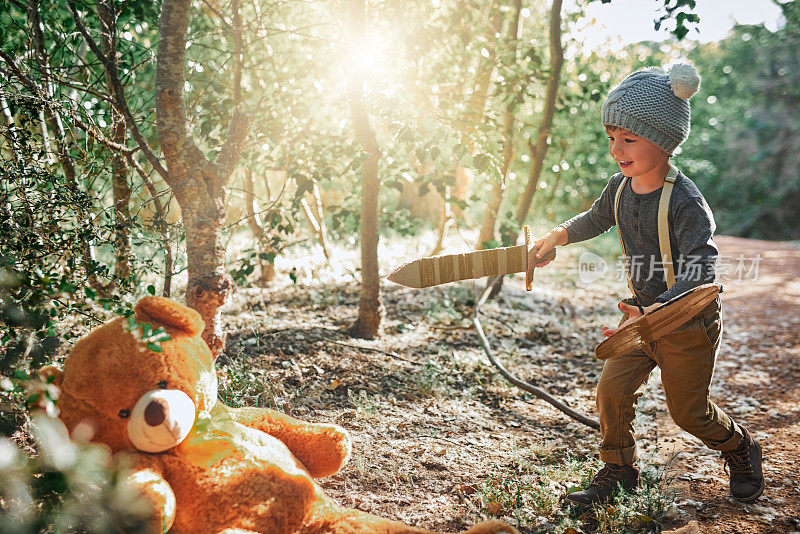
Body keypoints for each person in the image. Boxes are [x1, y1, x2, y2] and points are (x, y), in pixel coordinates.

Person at [530, 63, 764, 506]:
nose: (617, 148)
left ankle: (740, 447)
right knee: (612, 390)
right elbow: (596, 218)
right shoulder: (619, 188)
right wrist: (559, 234)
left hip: (686, 321)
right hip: (640, 319)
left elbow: (703, 269)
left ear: (665, 139)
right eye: (612, 137)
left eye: (630, 138)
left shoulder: (685, 201)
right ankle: (619, 469)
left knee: (689, 413)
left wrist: (662, 308)